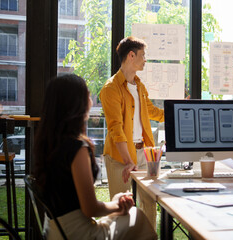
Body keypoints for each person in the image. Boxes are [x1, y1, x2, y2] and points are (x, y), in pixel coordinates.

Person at [33, 74, 157, 239]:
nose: (91, 101)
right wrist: (117, 204)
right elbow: (90, 209)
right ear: (76, 105)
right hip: (79, 234)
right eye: (88, 96)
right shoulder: (77, 149)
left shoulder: (47, 145)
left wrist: (115, 203)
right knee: (138, 217)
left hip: (55, 232)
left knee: (130, 216)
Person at [100, 36, 164, 228]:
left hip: (143, 153)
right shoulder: (110, 88)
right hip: (119, 156)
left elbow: (151, 111)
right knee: (121, 207)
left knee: (149, 203)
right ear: (131, 55)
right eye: (143, 55)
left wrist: (175, 113)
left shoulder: (139, 86)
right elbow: (115, 128)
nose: (145, 59)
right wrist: (128, 160)